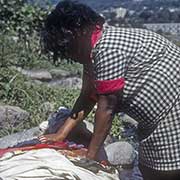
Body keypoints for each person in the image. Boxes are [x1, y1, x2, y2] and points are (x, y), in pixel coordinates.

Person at [40, 1, 180, 179]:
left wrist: (90, 158)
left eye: (69, 49)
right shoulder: (93, 51)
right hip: (155, 120)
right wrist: (61, 134)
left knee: (167, 172)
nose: (71, 56)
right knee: (149, 169)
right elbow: (88, 97)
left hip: (173, 111)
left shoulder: (108, 47)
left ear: (78, 32)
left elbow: (107, 108)